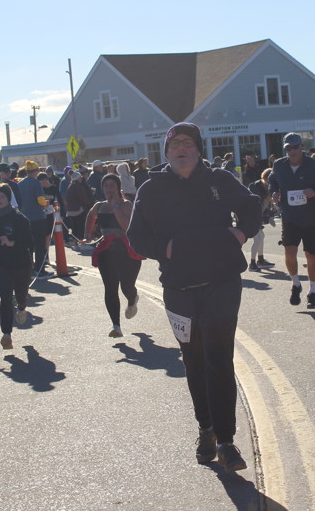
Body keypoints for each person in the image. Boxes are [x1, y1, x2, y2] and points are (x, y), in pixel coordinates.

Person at [127, 122, 261, 472]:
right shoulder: (151, 188)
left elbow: (253, 207)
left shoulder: (219, 180)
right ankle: (206, 430)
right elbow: (136, 236)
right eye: (175, 145)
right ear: (167, 152)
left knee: (219, 358)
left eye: (188, 143)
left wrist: (240, 234)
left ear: (199, 149)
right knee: (194, 361)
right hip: (179, 290)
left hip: (222, 283)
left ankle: (227, 441)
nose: (181, 149)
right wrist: (165, 248)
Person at [269, 133, 315, 308]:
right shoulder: (279, 165)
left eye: (295, 147)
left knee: (311, 255)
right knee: (290, 251)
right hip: (290, 215)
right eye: (288, 148)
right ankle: (296, 283)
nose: (292, 151)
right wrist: (274, 192)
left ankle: (312, 292)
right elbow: (272, 182)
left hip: (311, 217)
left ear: (302, 147)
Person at [84, 174, 143, 337]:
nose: (108, 189)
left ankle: (132, 299)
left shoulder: (126, 204)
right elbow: (90, 216)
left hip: (126, 252)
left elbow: (127, 227)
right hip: (106, 251)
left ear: (118, 188)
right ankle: (116, 326)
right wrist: (88, 234)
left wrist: (116, 208)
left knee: (126, 287)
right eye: (106, 186)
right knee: (110, 288)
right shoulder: (99, 206)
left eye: (112, 185)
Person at [0, 185, 33, 350]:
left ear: (9, 198)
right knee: (5, 298)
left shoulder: (19, 218)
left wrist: (12, 242)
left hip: (20, 263)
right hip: (0, 263)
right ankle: (6, 334)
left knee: (21, 295)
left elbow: (29, 242)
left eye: (2, 196)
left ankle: (22, 308)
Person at [18, 161, 52, 278]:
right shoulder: (36, 183)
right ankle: (40, 269)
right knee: (39, 245)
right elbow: (41, 200)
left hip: (24, 218)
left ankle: (29, 268)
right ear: (36, 171)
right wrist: (46, 203)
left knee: (28, 245)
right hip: (38, 217)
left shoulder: (20, 183)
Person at [247, 169, 274, 271]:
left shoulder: (266, 188)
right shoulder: (256, 186)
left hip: (255, 216)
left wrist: (269, 216)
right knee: (258, 238)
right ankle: (252, 263)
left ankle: (260, 260)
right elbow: (256, 204)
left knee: (261, 236)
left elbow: (264, 207)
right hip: (249, 215)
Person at [64, 168, 93, 246]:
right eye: (80, 177)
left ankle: (75, 243)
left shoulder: (70, 186)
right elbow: (84, 199)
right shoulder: (78, 187)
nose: (81, 178)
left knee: (74, 228)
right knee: (81, 227)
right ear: (77, 179)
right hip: (78, 210)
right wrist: (90, 203)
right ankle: (82, 244)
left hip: (70, 211)